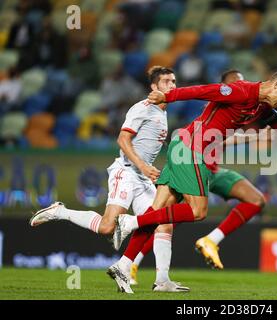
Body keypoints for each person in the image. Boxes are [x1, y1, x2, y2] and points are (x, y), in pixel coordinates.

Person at [112, 70, 277, 285]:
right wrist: (167, 95)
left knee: (158, 212)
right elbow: (203, 90)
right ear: (276, 85)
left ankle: (123, 265)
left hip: (187, 148)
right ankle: (131, 221)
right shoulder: (241, 91)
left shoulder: (262, 107)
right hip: (193, 149)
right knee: (198, 211)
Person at [29, 66, 189, 293]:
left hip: (142, 178)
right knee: (107, 227)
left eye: (174, 81)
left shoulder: (163, 112)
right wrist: (143, 165)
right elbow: (123, 140)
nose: (172, 85)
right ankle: (60, 211)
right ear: (154, 87)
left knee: (163, 222)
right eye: (166, 82)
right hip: (125, 172)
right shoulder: (142, 108)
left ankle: (162, 281)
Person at [128, 70, 272, 286]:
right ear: (224, 85)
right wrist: (248, 140)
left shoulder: (247, 107)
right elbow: (205, 139)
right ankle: (133, 262)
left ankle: (211, 240)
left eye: (243, 81)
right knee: (166, 218)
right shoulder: (215, 107)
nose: (242, 85)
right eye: (236, 82)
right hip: (194, 167)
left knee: (256, 199)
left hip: (213, 171)